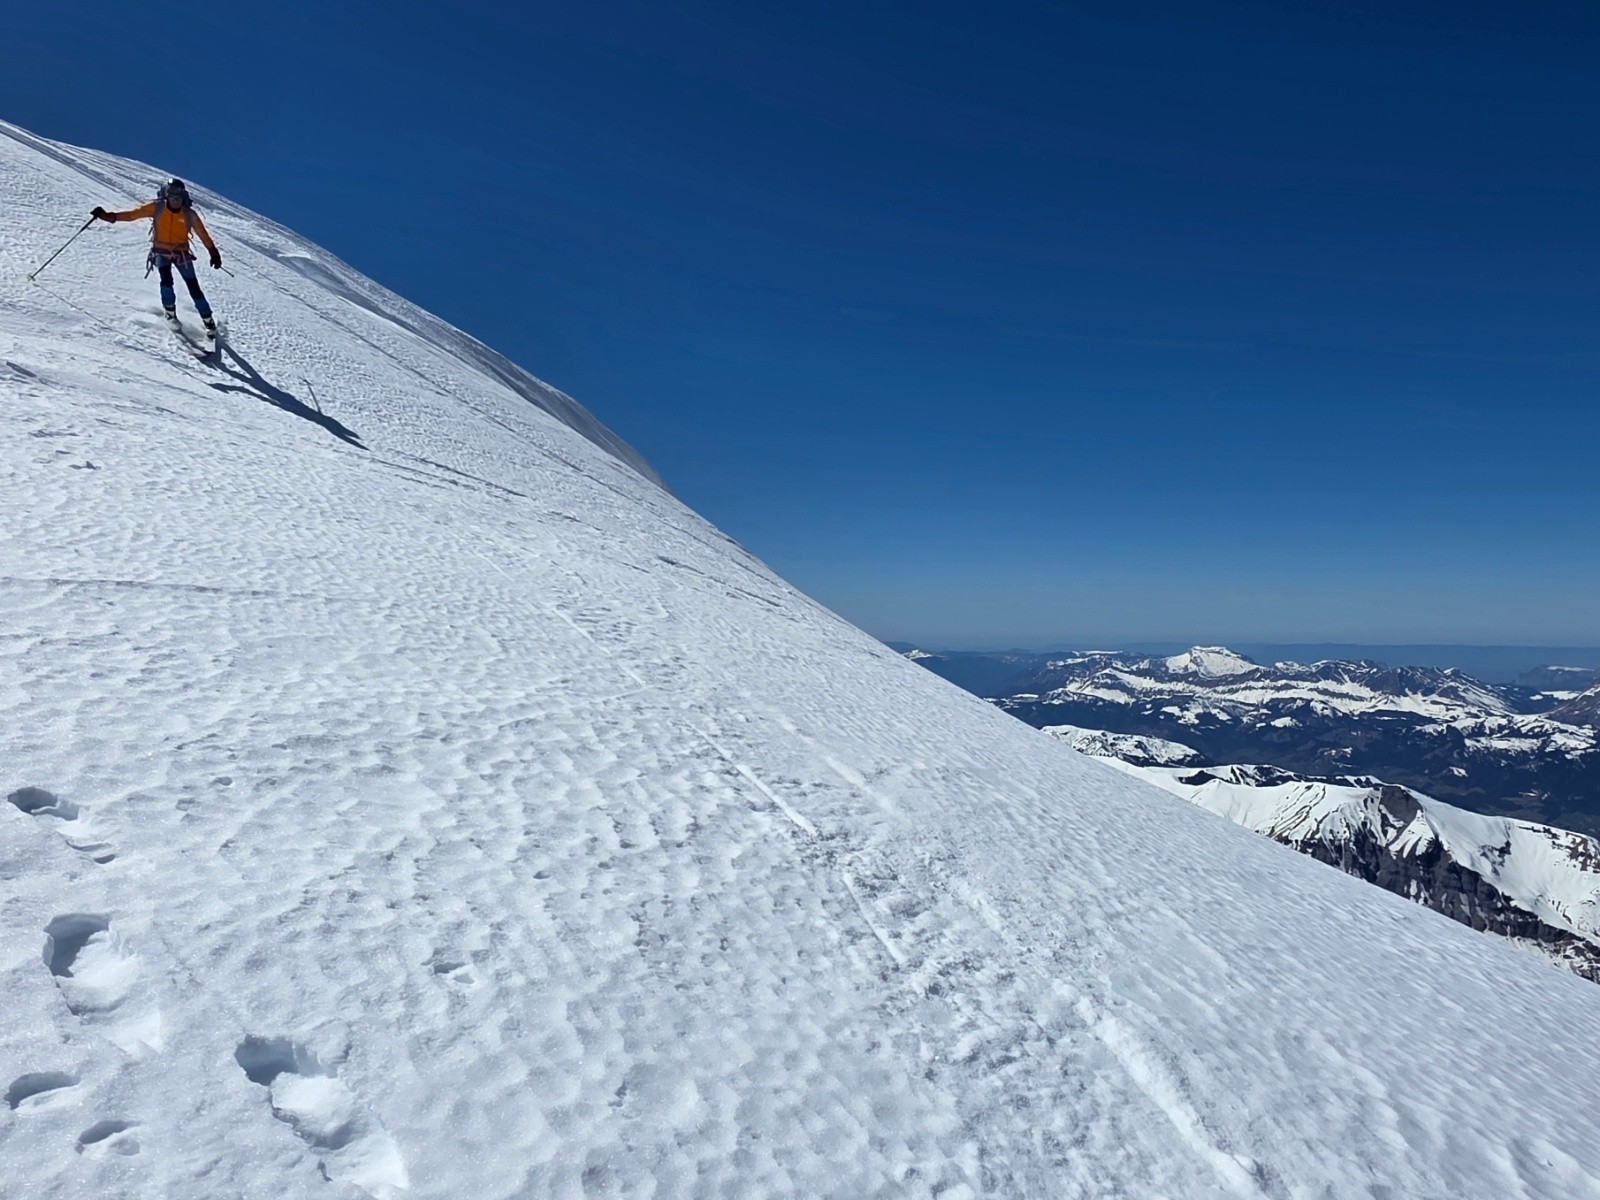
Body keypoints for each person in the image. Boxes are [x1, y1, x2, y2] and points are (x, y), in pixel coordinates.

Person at [93, 179, 222, 336]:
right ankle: (171, 315)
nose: (176, 201)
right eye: (173, 197)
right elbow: (133, 215)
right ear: (167, 196)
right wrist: (109, 216)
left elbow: (203, 234)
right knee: (167, 280)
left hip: (181, 254)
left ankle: (208, 322)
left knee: (194, 288)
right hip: (162, 251)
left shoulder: (189, 214)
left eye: (178, 198)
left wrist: (213, 252)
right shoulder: (157, 207)